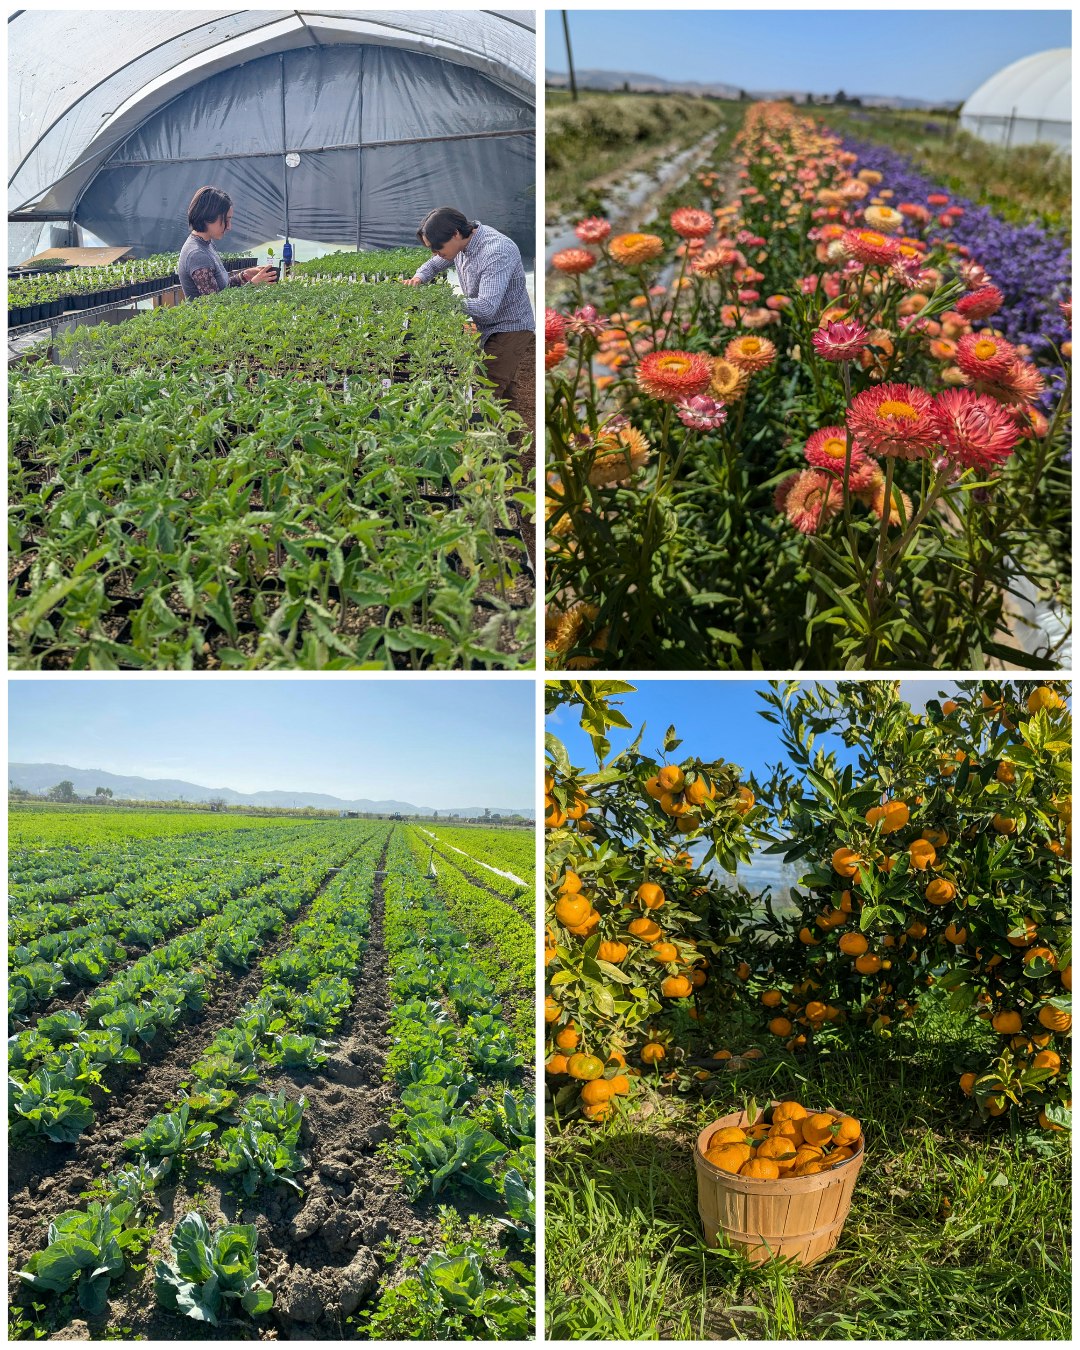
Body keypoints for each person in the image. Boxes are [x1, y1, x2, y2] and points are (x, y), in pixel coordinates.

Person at [403, 207, 534, 437]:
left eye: (437, 247)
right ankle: (509, 451)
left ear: (454, 234)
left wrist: (443, 301)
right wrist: (418, 278)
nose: (436, 253)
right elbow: (434, 265)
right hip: (489, 328)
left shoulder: (495, 251)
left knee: (486, 390)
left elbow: (486, 308)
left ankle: (487, 455)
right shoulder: (461, 245)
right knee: (504, 393)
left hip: (510, 327)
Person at [178, 186, 277, 300]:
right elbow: (216, 305)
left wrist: (244, 276)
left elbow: (222, 289)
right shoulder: (197, 254)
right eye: (226, 220)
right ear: (209, 216)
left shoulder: (206, 244)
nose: (229, 227)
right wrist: (253, 285)